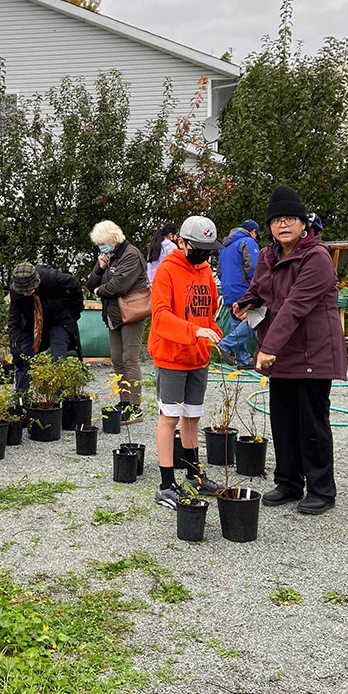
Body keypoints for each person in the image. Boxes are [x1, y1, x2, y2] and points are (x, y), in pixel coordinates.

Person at [233, 185, 347, 515]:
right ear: (269, 227)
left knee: (311, 423)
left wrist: (267, 347)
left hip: (313, 350)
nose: (283, 225)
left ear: (302, 223)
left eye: (290, 219)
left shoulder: (317, 257)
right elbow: (260, 291)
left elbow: (296, 306)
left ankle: (322, 489)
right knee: (283, 420)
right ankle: (288, 482)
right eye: (276, 220)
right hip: (282, 351)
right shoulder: (269, 255)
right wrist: (246, 303)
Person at [149, 216, 225, 509]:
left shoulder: (205, 271)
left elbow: (209, 311)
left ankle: (194, 476)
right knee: (169, 418)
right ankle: (166, 485)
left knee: (192, 416)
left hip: (198, 356)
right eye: (199, 248)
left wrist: (214, 331)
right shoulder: (167, 271)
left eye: (209, 249)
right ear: (181, 242)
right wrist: (194, 330)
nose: (203, 255)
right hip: (171, 356)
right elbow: (161, 317)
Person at [87, 220, 148, 424]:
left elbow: (118, 286)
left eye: (101, 243)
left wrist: (99, 291)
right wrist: (100, 266)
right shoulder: (109, 256)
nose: (100, 248)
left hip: (131, 313)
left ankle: (135, 407)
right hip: (113, 315)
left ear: (112, 239)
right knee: (117, 359)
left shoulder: (131, 255)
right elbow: (90, 283)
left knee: (130, 359)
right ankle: (124, 402)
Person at [8, 261, 84, 392]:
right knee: (22, 357)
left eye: (28, 290)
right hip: (33, 325)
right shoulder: (16, 291)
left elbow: (75, 285)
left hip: (58, 321)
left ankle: (58, 401)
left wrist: (74, 313)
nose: (26, 294)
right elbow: (14, 319)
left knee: (58, 361)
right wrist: (15, 347)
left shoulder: (52, 277)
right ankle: (21, 399)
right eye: (23, 291)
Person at [218, 219, 261, 368]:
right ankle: (225, 345)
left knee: (237, 323)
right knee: (255, 319)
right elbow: (254, 267)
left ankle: (242, 360)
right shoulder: (248, 242)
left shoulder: (224, 246)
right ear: (253, 232)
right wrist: (257, 286)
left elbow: (219, 271)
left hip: (228, 290)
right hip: (244, 289)